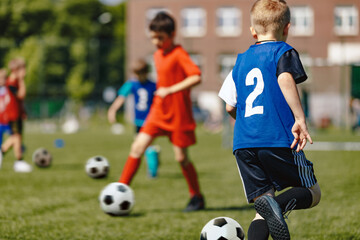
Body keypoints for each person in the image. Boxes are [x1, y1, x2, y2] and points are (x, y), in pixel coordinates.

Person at [218, 0, 321, 239]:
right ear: (287, 28)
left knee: (262, 208)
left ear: (253, 31)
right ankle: (280, 208)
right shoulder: (283, 52)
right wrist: (300, 118)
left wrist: (244, 122)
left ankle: (273, 209)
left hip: (244, 144)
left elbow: (228, 106)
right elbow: (285, 79)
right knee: (312, 192)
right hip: (276, 139)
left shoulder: (240, 60)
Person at [116, 12, 205, 212]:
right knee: (137, 147)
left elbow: (196, 77)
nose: (156, 42)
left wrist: (170, 90)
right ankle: (120, 190)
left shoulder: (179, 53)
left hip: (178, 114)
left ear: (172, 35)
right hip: (158, 111)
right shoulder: (157, 55)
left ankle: (197, 196)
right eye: (153, 37)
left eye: (160, 38)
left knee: (181, 158)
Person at [107, 59, 159, 178]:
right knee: (140, 145)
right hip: (138, 121)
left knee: (146, 146)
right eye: (136, 74)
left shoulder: (154, 85)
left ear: (146, 73)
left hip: (151, 121)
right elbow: (121, 97)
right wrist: (113, 110)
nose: (138, 77)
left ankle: (152, 171)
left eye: (140, 74)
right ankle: (154, 157)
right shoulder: (131, 84)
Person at [1, 58, 32, 172]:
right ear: (16, 70)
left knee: (16, 137)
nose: (25, 71)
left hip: (17, 113)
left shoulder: (14, 81)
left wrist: (23, 111)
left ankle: (3, 152)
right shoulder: (11, 82)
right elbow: (21, 95)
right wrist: (21, 80)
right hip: (12, 114)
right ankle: (19, 161)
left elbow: (19, 101)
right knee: (17, 137)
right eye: (23, 69)